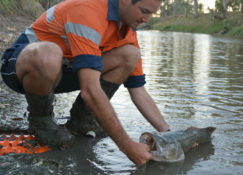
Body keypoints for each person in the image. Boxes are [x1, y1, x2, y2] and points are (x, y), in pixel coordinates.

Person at [0, 0, 170, 165]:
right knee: (49, 53)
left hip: (65, 71)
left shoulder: (128, 32)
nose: (147, 20)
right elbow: (90, 90)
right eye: (144, 11)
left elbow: (138, 89)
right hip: (23, 68)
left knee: (130, 54)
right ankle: (41, 119)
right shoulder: (87, 8)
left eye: (151, 13)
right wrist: (128, 147)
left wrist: (168, 134)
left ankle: (82, 121)